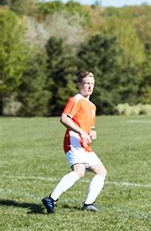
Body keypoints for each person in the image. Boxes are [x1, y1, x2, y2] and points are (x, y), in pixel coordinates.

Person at [42, 71, 107, 213]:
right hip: (73, 141)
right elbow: (64, 118)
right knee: (79, 171)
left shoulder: (92, 106)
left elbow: (89, 128)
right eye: (86, 83)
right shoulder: (76, 99)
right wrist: (81, 132)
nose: (90, 86)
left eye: (92, 84)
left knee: (101, 171)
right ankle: (52, 199)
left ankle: (88, 204)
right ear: (79, 85)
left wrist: (91, 133)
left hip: (84, 145)